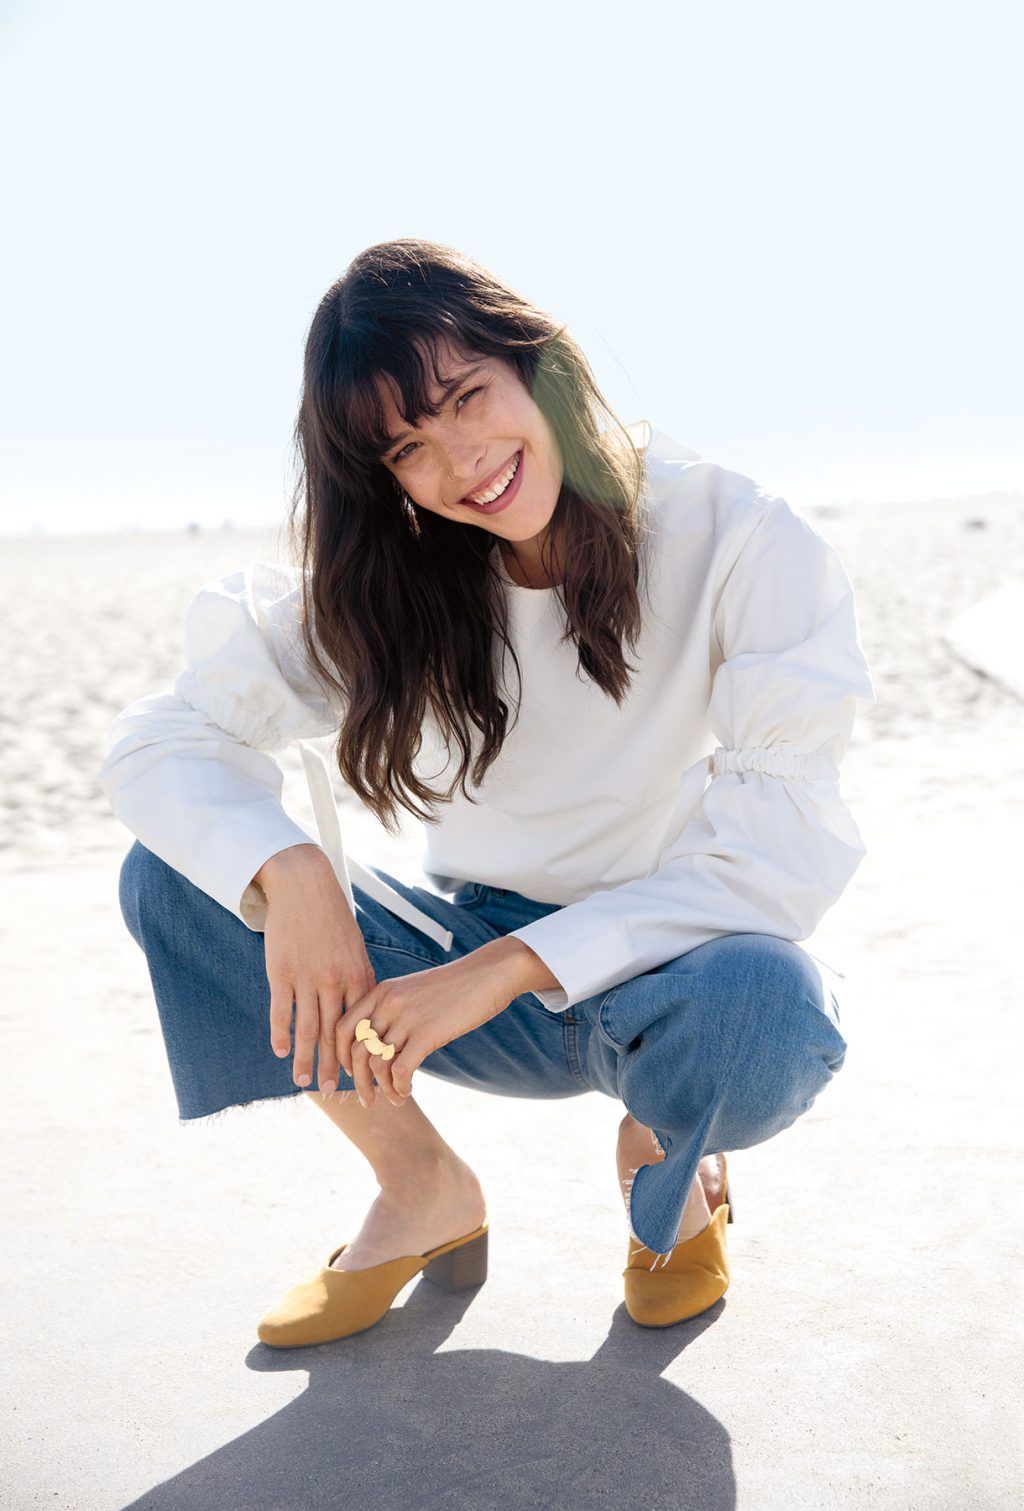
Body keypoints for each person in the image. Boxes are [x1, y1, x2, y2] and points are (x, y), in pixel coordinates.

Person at [98, 238, 876, 1347]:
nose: (462, 461)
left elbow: (779, 850)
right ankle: (420, 1187)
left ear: (536, 363)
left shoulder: (738, 535)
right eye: (409, 447)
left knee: (770, 1011)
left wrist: (502, 967)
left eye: (467, 396)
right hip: (459, 964)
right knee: (178, 874)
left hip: (672, 963)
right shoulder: (400, 581)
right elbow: (159, 738)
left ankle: (663, 1146)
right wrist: (292, 870)